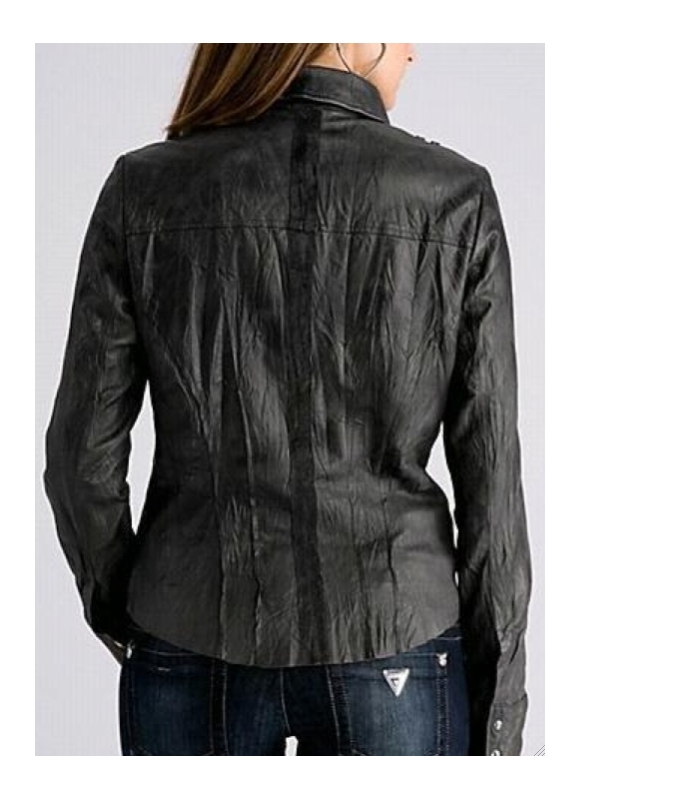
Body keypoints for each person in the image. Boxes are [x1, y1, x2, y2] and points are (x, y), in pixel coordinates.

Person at [43, 43, 533, 756]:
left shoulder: (143, 189)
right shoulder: (454, 197)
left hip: (188, 629)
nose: (412, 49)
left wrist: (142, 608)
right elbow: (492, 476)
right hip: (397, 632)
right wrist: (499, 706)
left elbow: (79, 457)